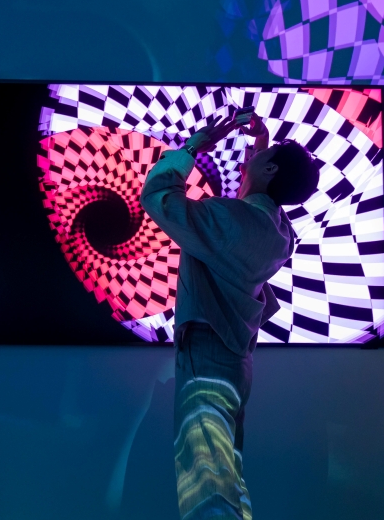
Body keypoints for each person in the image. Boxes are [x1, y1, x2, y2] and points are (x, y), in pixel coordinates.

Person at [140, 108, 320, 520]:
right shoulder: (279, 232)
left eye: (260, 157)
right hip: (235, 362)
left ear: (271, 169)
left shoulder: (231, 219)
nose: (244, 162)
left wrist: (192, 148)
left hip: (206, 356)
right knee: (227, 478)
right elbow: (249, 212)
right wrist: (263, 146)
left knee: (206, 483)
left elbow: (156, 196)